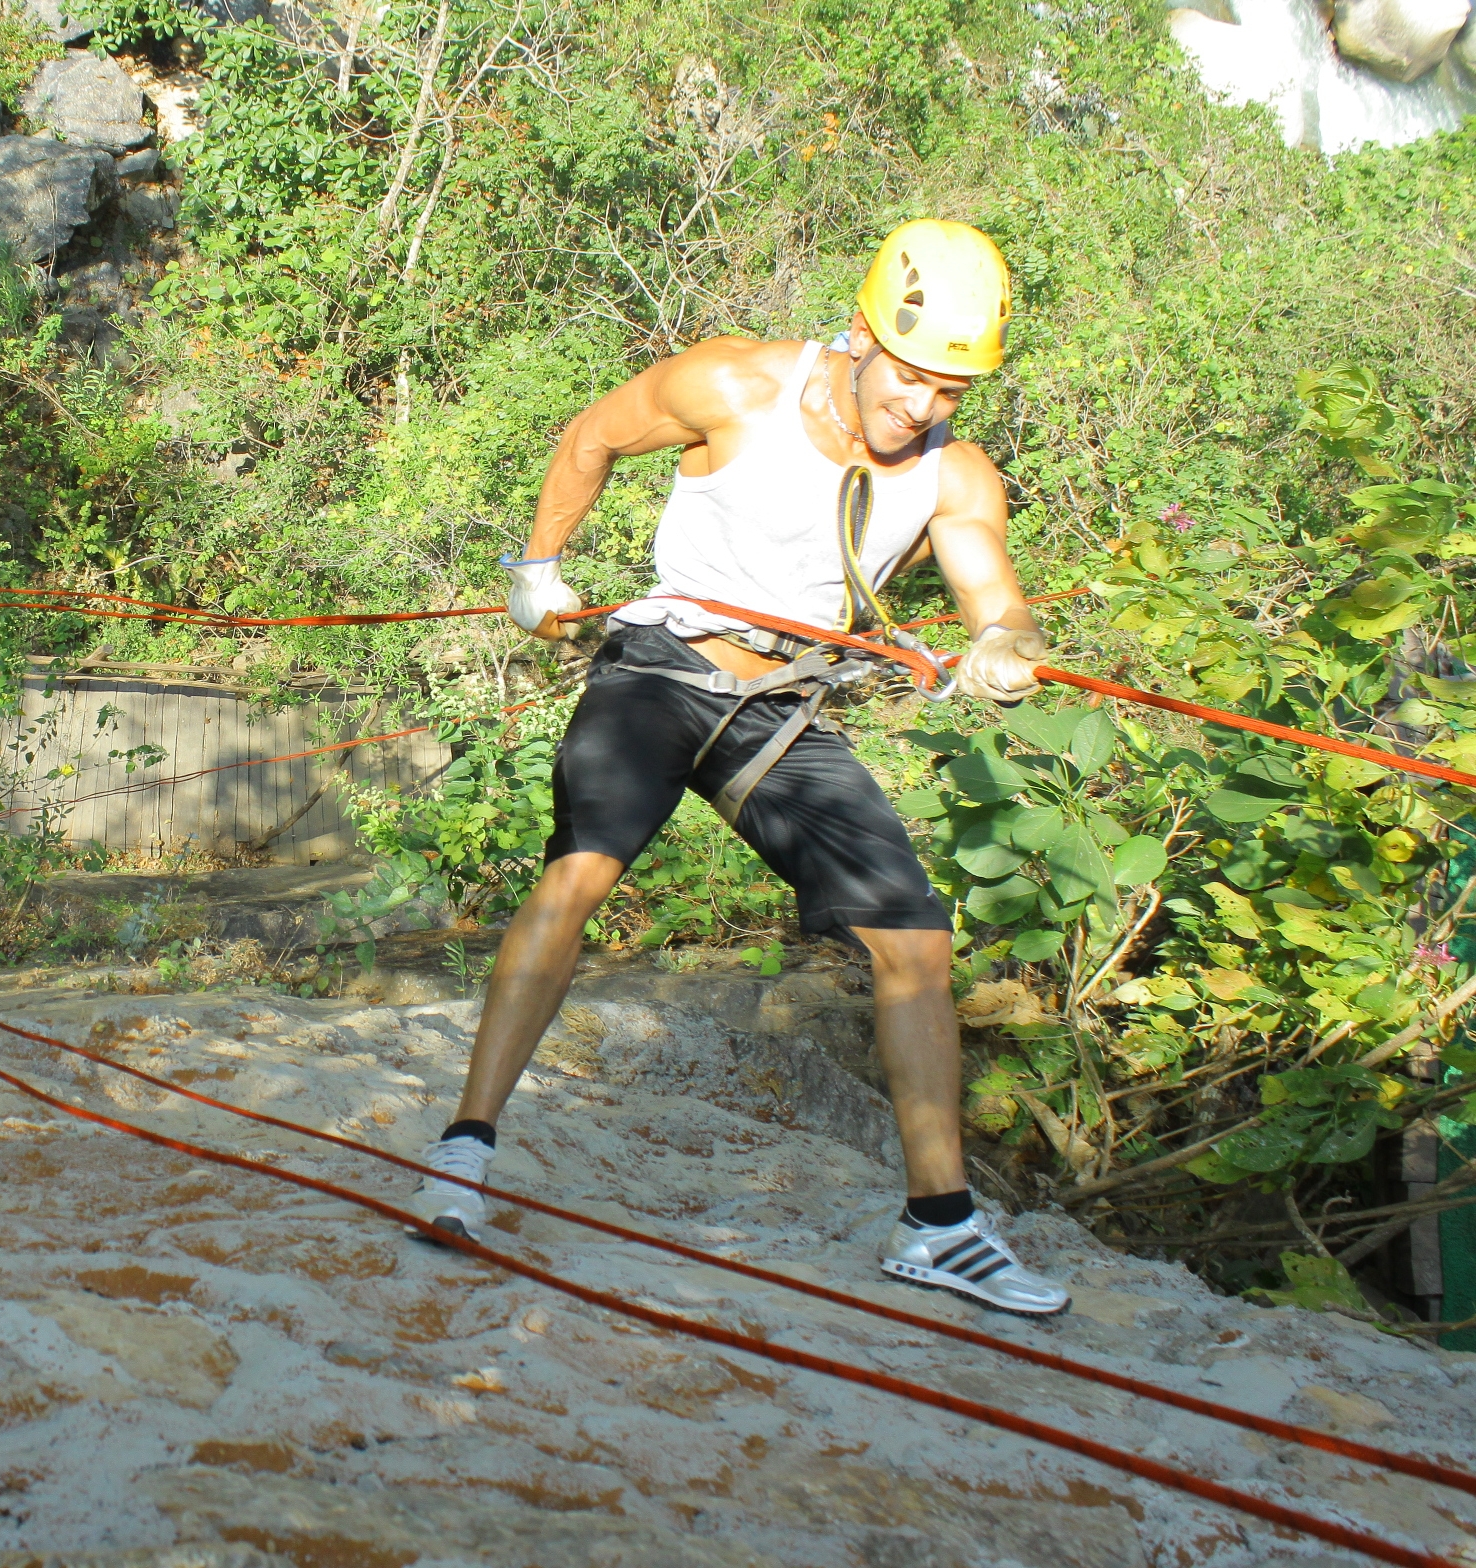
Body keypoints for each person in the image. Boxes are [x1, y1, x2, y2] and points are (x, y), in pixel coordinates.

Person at [410, 220, 1070, 1317]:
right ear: (860, 336)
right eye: (909, 377)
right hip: (661, 670)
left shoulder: (953, 475)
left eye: (951, 389)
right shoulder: (735, 384)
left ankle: (939, 1224)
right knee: (579, 873)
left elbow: (994, 596)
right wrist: (539, 569)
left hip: (779, 706)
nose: (923, 406)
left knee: (913, 935)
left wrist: (1006, 642)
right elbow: (591, 437)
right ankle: (464, 1152)